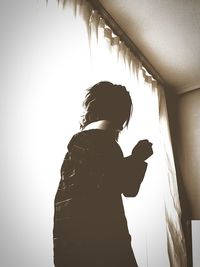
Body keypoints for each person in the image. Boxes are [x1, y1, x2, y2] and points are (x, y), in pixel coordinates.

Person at [53, 81, 153, 267]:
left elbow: (103, 180)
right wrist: (138, 158)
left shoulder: (78, 147)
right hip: (103, 249)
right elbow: (126, 187)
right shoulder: (101, 141)